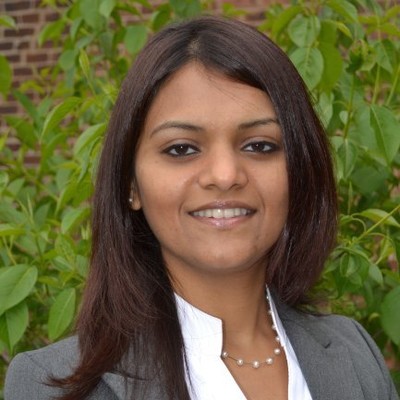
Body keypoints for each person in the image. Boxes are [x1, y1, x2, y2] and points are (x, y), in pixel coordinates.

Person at [4, 16, 398, 400]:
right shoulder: (51, 386)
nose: (225, 175)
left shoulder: (355, 353)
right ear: (131, 184)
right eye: (181, 149)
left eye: (259, 145)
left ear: (300, 170)